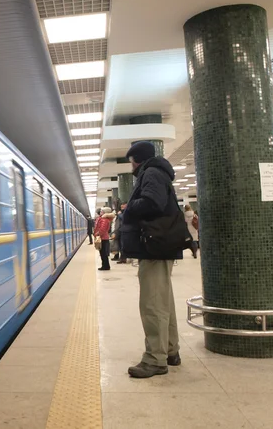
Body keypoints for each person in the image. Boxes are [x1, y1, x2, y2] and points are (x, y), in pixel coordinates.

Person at [120, 141, 181, 378]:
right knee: (164, 301)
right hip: (159, 245)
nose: (131, 166)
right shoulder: (156, 172)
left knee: (152, 303)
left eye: (131, 160)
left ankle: (155, 360)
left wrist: (128, 208)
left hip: (155, 246)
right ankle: (169, 351)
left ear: (136, 159)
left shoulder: (151, 173)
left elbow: (152, 203)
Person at [94, 206, 113, 270]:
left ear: (105, 212)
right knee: (103, 253)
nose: (100, 212)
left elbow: (102, 229)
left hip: (103, 238)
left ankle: (105, 266)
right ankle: (105, 265)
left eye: (102, 211)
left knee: (103, 253)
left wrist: (97, 234)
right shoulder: (104, 219)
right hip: (103, 238)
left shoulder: (104, 220)